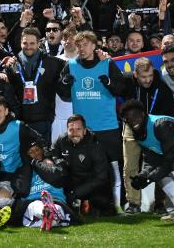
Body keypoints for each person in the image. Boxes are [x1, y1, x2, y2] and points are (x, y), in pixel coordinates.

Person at [61, 30, 127, 212]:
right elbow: (63, 93)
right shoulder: (71, 65)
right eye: (79, 45)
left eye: (86, 45)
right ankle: (90, 205)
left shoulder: (107, 63)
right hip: (84, 130)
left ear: (94, 46)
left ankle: (119, 204)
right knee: (86, 169)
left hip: (107, 126)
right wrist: (65, 84)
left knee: (114, 168)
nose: (82, 48)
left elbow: (121, 89)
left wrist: (109, 83)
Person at [122, 57, 174, 214]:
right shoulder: (127, 83)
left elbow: (167, 116)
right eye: (144, 77)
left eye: (150, 76)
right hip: (131, 127)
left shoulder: (162, 88)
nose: (148, 80)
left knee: (159, 166)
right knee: (130, 166)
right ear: (135, 75)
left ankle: (159, 204)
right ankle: (133, 203)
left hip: (154, 129)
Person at [32, 115, 115, 216]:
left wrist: (76, 193)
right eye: (71, 129)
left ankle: (90, 204)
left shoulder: (95, 146)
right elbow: (50, 152)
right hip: (72, 182)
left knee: (100, 208)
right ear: (67, 130)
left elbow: (101, 178)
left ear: (84, 130)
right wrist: (49, 159)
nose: (74, 133)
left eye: (78, 129)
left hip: (94, 184)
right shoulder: (62, 141)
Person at [5, 27, 66, 142]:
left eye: (32, 43)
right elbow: (9, 92)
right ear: (20, 43)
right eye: (25, 43)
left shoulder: (52, 63)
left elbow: (74, 63)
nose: (28, 46)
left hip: (44, 120)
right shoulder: (12, 65)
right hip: (21, 121)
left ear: (39, 43)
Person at [11, 140, 72, 231]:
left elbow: (56, 177)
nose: (35, 153)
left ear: (42, 150)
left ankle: (48, 213)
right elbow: (21, 189)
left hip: (55, 199)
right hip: (32, 201)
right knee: (36, 206)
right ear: (26, 155)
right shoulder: (23, 170)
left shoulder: (54, 161)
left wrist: (40, 164)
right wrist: (29, 166)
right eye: (31, 152)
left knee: (57, 208)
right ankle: (47, 211)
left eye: (37, 149)